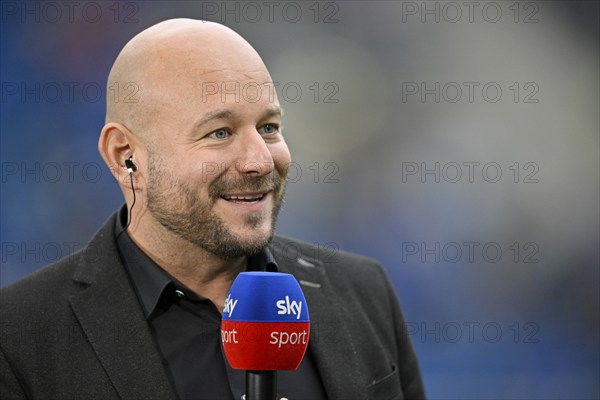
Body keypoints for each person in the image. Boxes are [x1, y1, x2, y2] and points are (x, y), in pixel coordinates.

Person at [0, 19, 425, 400]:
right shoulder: (19, 335)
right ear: (125, 156)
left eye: (269, 128)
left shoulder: (364, 292)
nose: (260, 160)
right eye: (219, 132)